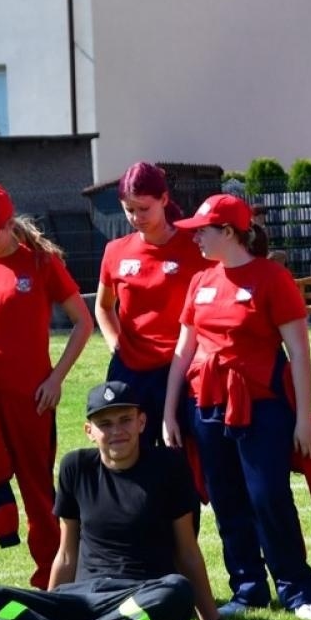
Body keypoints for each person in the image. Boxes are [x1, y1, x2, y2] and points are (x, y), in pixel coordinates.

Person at [0, 381, 228, 620]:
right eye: (105, 424)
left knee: (177, 591)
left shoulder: (168, 466)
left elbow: (187, 552)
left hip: (136, 598)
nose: (117, 431)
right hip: (76, 599)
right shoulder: (75, 467)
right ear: (89, 431)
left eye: (125, 420)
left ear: (142, 422)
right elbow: (67, 554)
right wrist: (50, 601)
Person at [163, 194, 311, 620]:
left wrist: (304, 418)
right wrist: (169, 412)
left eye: (203, 230)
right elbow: (184, 352)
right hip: (207, 406)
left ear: (229, 233)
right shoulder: (200, 281)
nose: (196, 237)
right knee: (225, 499)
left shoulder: (272, 278)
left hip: (262, 407)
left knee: (268, 497)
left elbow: (299, 354)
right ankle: (248, 588)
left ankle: (297, 590)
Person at [0, 183, 94, 587]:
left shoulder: (42, 264)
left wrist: (56, 378)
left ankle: (50, 573)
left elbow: (84, 323)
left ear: (9, 224)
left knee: (37, 488)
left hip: (32, 399)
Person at [95, 161, 211, 453]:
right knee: (132, 457)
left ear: (164, 199)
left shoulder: (195, 247)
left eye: (144, 209)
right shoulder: (116, 251)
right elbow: (103, 306)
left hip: (180, 370)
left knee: (184, 460)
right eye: (129, 210)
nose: (136, 217)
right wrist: (116, 346)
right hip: (130, 373)